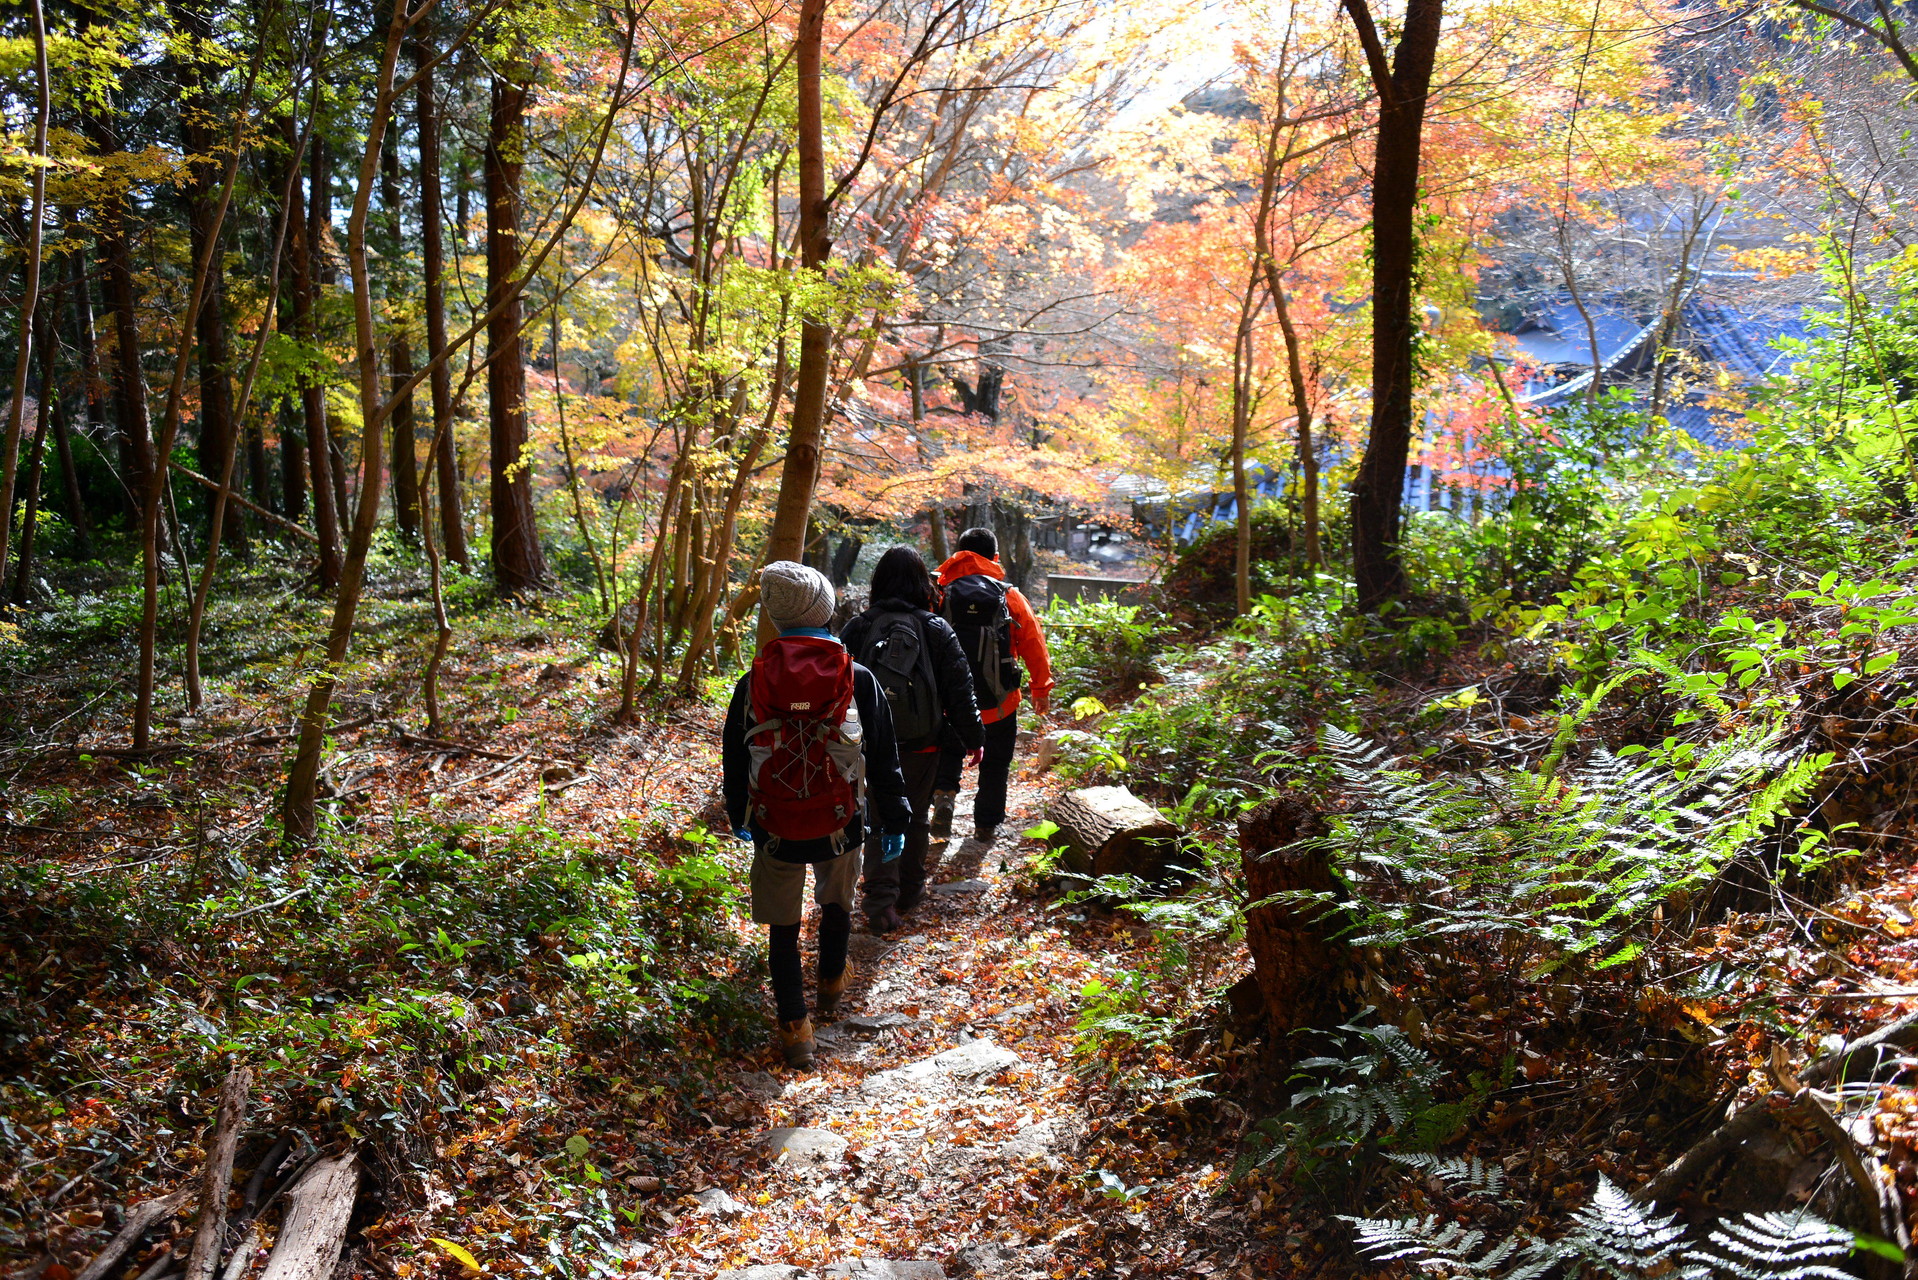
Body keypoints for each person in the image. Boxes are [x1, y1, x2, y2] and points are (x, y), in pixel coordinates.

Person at [722, 561, 911, 1069]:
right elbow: (884, 756)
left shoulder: (753, 681)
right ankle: (830, 983)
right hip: (841, 818)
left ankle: (794, 1029)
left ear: (776, 617)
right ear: (826, 610)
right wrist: (895, 820)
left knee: (782, 927)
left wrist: (739, 814)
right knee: (836, 903)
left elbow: (735, 756)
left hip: (774, 821)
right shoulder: (857, 676)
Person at [840, 546, 984, 932]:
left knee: (876, 817)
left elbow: (836, 686)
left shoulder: (859, 627)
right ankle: (909, 890)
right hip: (924, 743)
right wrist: (974, 738)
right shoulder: (936, 628)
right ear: (923, 583)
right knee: (916, 816)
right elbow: (960, 690)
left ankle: (880, 900)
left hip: (867, 744)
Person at [932, 527, 1054, 843]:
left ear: (958, 555)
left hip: (947, 703)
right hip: (999, 702)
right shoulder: (1009, 596)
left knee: (948, 753)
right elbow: (1033, 643)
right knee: (996, 763)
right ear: (995, 557)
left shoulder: (939, 594)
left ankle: (944, 794)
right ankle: (986, 825)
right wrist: (1040, 689)